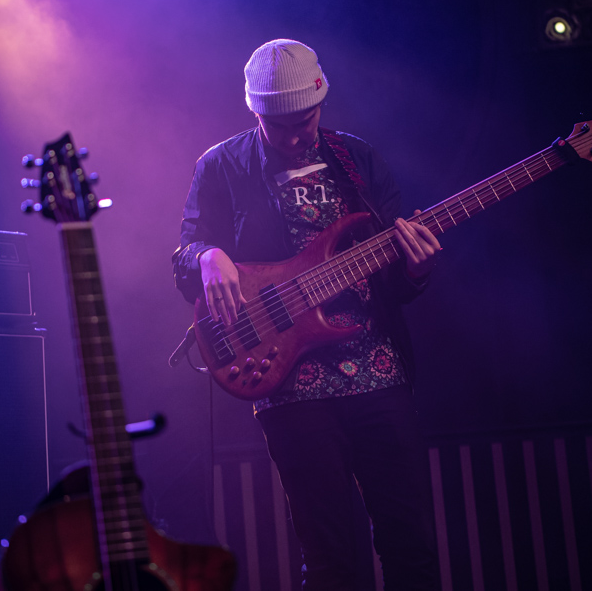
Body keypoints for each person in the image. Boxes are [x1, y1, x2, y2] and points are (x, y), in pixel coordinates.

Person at [173, 39, 440, 590]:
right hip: (291, 384)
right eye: (281, 126)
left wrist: (415, 270)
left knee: (411, 546)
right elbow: (185, 256)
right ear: (255, 112)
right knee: (329, 560)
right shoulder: (221, 166)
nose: (297, 136)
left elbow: (394, 281)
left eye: (307, 121)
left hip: (378, 373)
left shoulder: (357, 159)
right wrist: (205, 256)